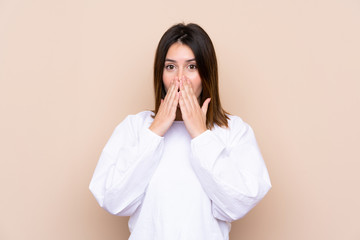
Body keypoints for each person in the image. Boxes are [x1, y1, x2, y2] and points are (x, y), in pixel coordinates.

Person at [89, 23, 271, 240]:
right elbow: (113, 199)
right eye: (171, 67)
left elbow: (238, 202)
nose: (180, 78)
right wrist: (155, 131)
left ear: (206, 73)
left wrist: (201, 135)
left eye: (192, 67)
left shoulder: (233, 130)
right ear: (161, 73)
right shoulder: (134, 127)